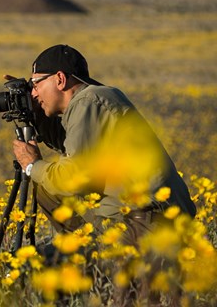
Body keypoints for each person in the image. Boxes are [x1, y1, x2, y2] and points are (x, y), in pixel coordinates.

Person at [11, 44, 196, 244]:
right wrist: (34, 113)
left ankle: (88, 257)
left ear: (60, 79)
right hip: (144, 215)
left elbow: (72, 178)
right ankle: (84, 255)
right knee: (48, 191)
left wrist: (32, 165)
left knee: (49, 257)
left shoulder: (89, 102)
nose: (34, 94)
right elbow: (66, 143)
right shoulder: (92, 101)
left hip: (147, 220)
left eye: (35, 84)